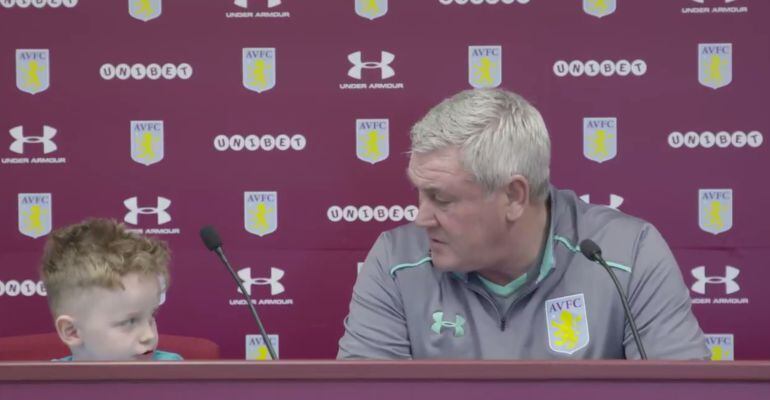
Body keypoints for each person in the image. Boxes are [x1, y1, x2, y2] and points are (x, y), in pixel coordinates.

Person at [338, 88, 708, 359]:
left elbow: (683, 394)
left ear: (514, 196)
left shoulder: (627, 254)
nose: (421, 218)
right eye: (419, 193)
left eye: (442, 198)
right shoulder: (395, 261)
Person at [40, 218, 182, 361]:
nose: (149, 336)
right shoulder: (46, 382)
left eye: (152, 316)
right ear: (72, 332)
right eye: (130, 321)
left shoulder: (176, 372)